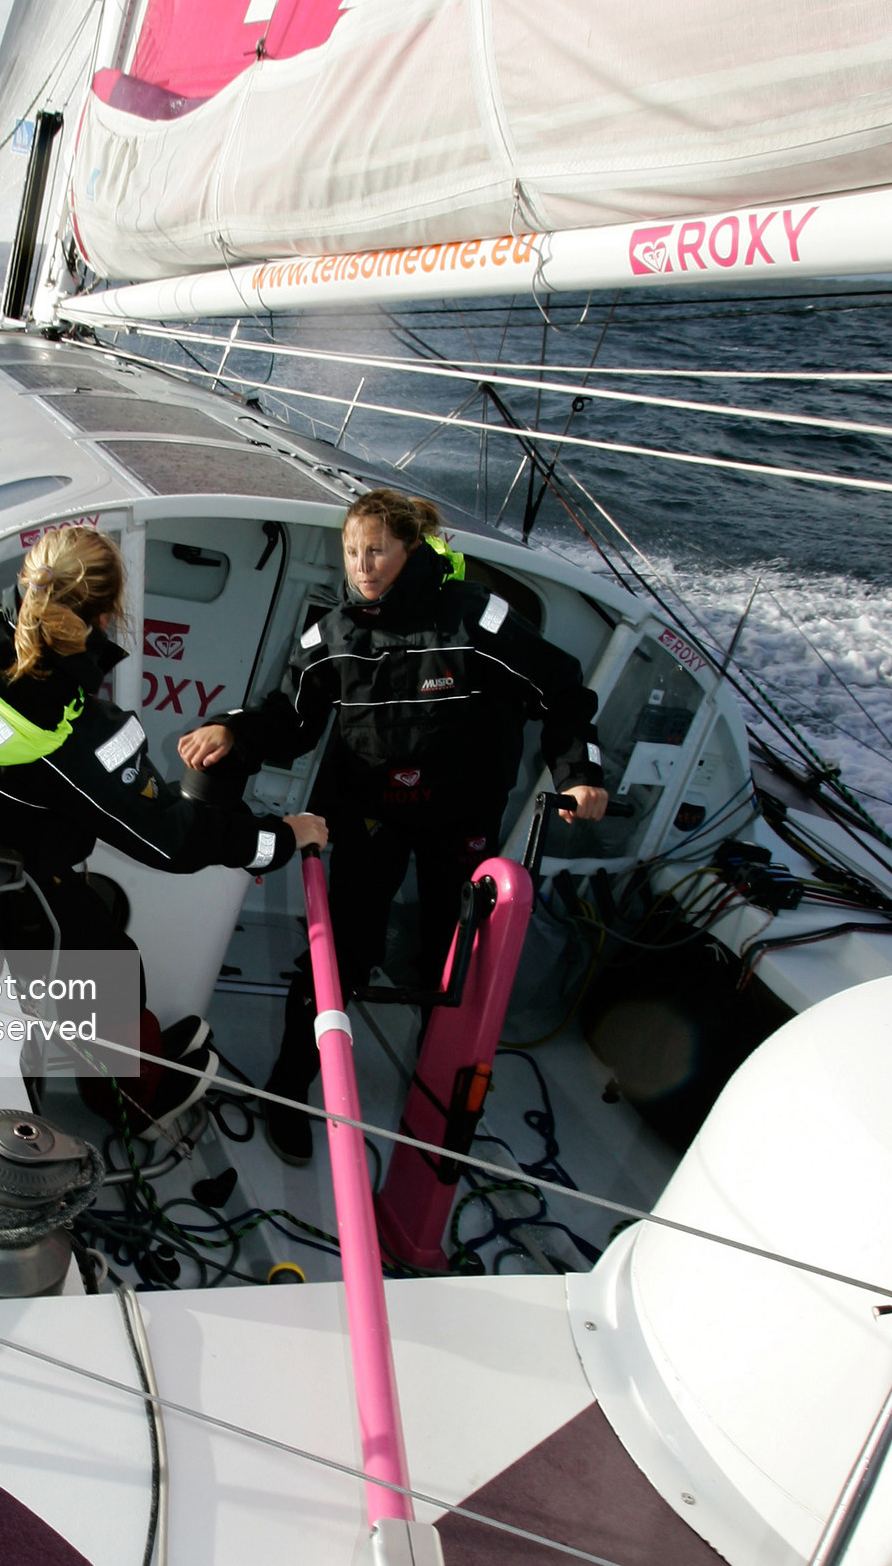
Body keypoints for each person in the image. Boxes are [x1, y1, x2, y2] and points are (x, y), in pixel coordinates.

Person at [178, 488, 607, 1164]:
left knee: (454, 956)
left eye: (376, 550)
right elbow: (289, 720)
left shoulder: (477, 620)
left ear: (411, 549)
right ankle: (289, 1088)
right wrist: (231, 730)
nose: (362, 565)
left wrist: (579, 774)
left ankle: (441, 1098)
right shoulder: (333, 637)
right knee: (342, 951)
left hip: (461, 817)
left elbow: (562, 689)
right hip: (369, 812)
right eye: (352, 551)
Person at [0, 525, 325, 1115]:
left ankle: (121, 1063)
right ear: (106, 615)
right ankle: (132, 1104)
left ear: (27, 580)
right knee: (112, 964)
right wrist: (282, 838)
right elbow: (171, 841)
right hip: (4, 892)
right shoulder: (83, 733)